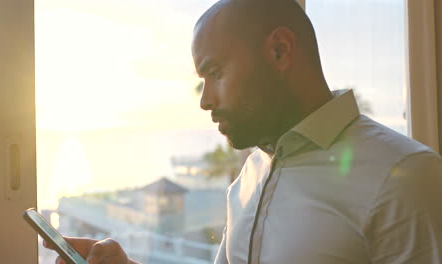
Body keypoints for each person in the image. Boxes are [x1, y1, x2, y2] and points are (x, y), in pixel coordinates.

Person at [44, 0, 442, 263]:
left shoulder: (406, 177)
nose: (205, 100)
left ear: (280, 51)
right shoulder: (252, 173)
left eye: (214, 73)